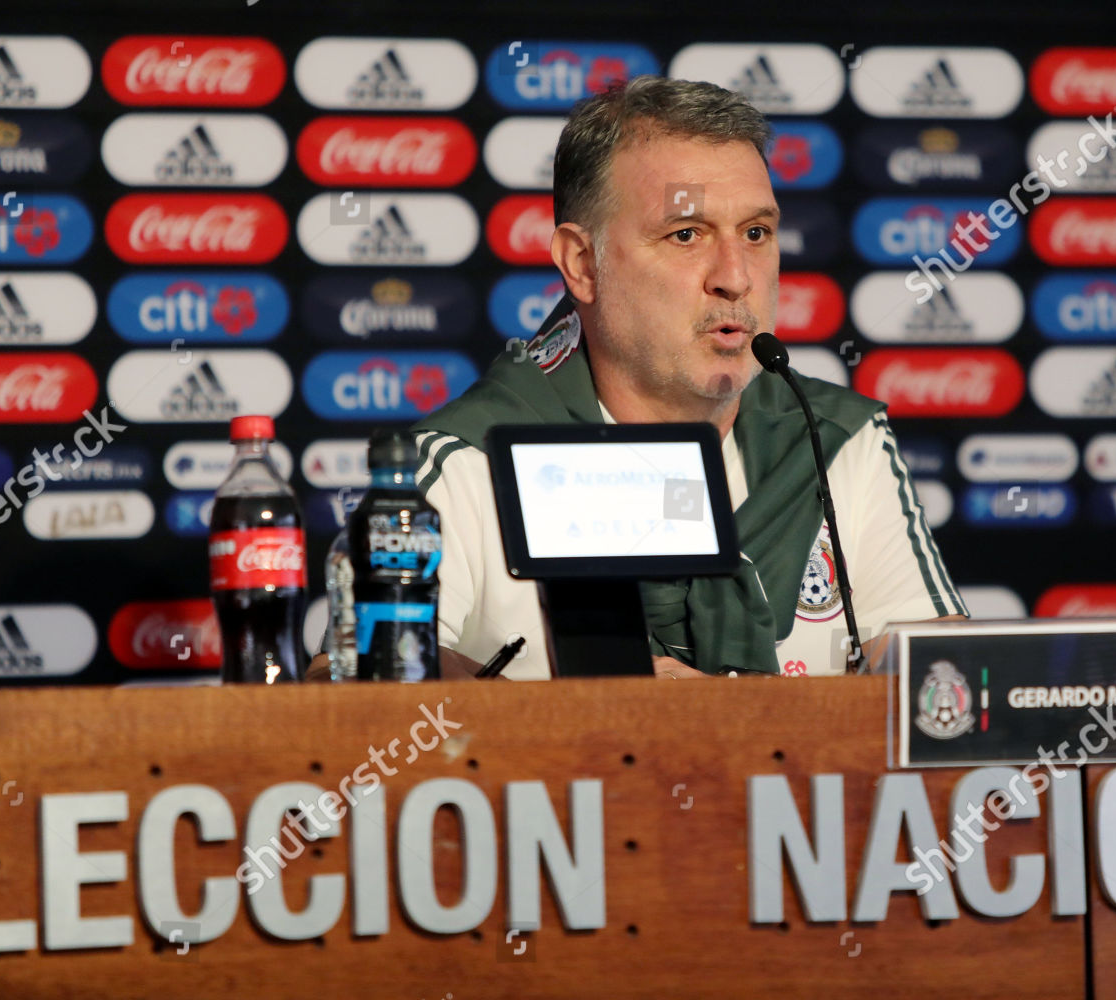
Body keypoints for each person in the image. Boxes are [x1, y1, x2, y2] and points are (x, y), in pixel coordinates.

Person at [411, 75, 967, 681]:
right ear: (581, 263)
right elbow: (370, 687)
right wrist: (610, 711)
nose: (735, 276)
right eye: (686, 235)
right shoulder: (470, 459)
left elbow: (944, 686)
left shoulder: (838, 440)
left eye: (755, 234)